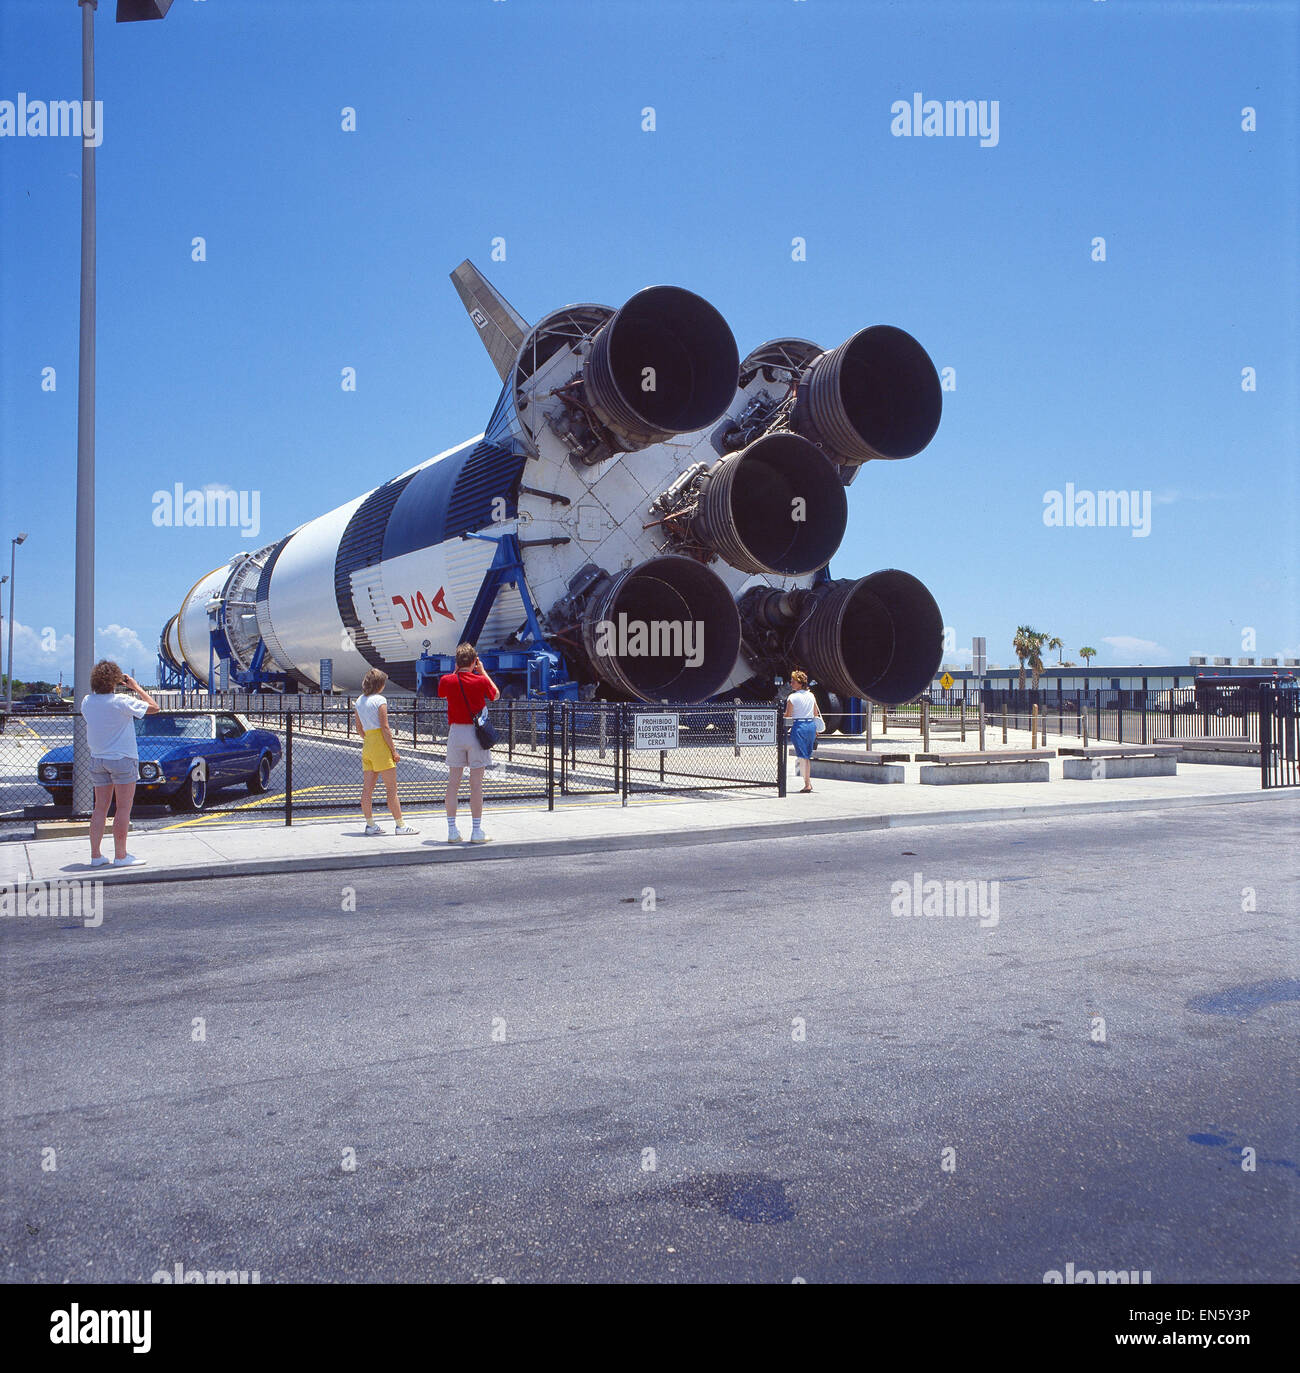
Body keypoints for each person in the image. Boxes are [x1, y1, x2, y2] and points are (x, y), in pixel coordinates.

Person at [81, 660, 160, 867]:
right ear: (115, 680)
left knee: (100, 808)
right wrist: (135, 687)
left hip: (98, 758)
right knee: (123, 808)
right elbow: (154, 708)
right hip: (123, 758)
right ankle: (121, 856)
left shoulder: (87, 701)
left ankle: (96, 856)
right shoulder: (122, 701)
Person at [438, 642, 499, 844]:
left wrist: (456, 671)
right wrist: (482, 672)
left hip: (456, 733)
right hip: (475, 734)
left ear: (456, 662)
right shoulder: (479, 681)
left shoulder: (447, 680)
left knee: (453, 784)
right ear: (475, 662)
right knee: (476, 786)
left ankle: (452, 831)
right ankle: (476, 831)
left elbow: (441, 693)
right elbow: (495, 695)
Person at [354, 668, 418, 836]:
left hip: (368, 743)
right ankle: (400, 825)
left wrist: (368, 739)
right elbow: (385, 727)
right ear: (379, 684)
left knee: (367, 789)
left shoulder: (359, 701)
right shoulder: (380, 700)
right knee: (391, 789)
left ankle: (370, 824)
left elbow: (358, 728)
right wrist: (394, 751)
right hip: (380, 745)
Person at [783, 669, 822, 794]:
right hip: (810, 725)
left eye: (793, 681)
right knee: (806, 756)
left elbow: (788, 715)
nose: (791, 683)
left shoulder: (792, 697)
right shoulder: (811, 695)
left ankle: (807, 784)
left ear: (799, 683)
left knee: (802, 756)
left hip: (798, 725)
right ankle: (807, 782)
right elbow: (815, 713)